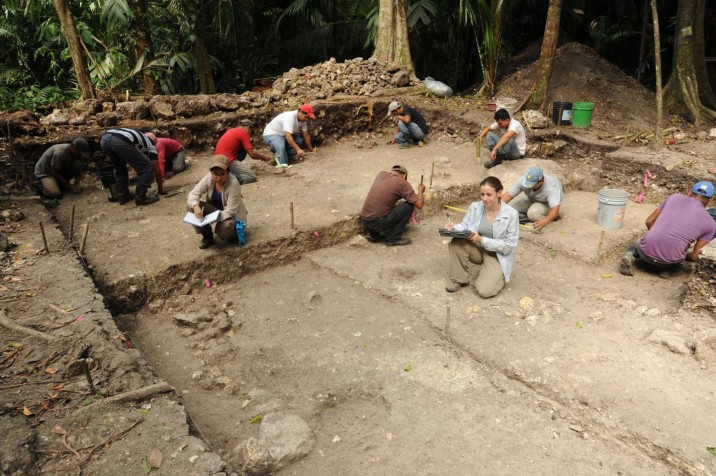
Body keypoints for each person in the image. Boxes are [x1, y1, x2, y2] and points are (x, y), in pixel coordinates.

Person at [620, 181, 716, 277]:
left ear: (690, 192)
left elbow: (649, 221)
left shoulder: (674, 197)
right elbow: (695, 256)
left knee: (635, 246)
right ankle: (667, 271)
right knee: (679, 265)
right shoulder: (711, 224)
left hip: (645, 253)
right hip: (670, 262)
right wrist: (684, 253)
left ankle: (629, 256)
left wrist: (658, 235)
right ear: (711, 199)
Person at [444, 176, 519, 298]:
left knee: (485, 291)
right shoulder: (475, 207)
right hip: (477, 248)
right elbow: (465, 225)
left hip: (496, 255)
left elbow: (509, 246)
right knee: (457, 242)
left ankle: (499, 276)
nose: (484, 199)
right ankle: (459, 279)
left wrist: (482, 240)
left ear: (499, 193)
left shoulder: (511, 214)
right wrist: (453, 228)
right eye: (482, 194)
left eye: (489, 195)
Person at [186, 155, 248, 249]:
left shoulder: (233, 183)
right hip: (216, 211)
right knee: (190, 206)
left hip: (231, 215)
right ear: (211, 173)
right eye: (215, 174)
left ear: (228, 172)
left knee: (225, 229)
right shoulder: (209, 178)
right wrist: (195, 206)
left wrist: (213, 218)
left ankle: (232, 234)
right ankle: (207, 237)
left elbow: (231, 210)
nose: (218, 178)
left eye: (222, 174)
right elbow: (193, 194)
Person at [360, 165, 426, 246]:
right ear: (404, 175)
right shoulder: (402, 183)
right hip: (377, 223)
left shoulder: (381, 174)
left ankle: (373, 235)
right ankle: (393, 238)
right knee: (408, 206)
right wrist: (420, 191)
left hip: (364, 221)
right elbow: (419, 205)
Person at [99, 128, 161, 205]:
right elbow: (156, 167)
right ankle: (140, 198)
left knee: (119, 167)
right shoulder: (150, 144)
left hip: (104, 139)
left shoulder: (138, 135)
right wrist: (160, 188)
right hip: (119, 140)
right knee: (147, 166)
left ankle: (123, 196)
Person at [502, 166, 563, 231]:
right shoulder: (525, 180)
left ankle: (552, 216)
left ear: (541, 181)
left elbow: (555, 208)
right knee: (508, 212)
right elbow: (508, 195)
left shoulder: (551, 188)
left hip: (546, 203)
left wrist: (545, 221)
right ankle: (530, 218)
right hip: (531, 198)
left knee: (533, 213)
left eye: (532, 184)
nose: (528, 186)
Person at [214, 119, 274, 184]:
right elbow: (252, 155)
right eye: (251, 131)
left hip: (216, 160)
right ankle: (226, 179)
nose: (250, 133)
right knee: (251, 177)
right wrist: (264, 157)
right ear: (249, 128)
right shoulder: (243, 133)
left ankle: (227, 174)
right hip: (227, 161)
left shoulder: (231, 130)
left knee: (243, 150)